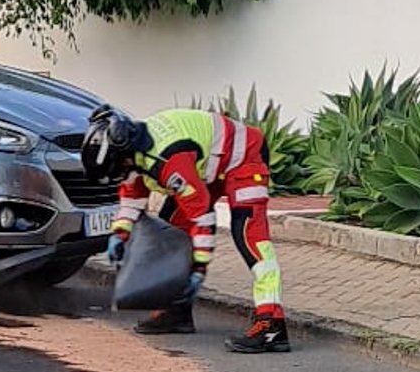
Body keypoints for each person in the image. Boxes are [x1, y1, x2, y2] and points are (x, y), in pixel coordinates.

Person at [81, 105, 289, 354]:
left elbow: (202, 219)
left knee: (248, 234)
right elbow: (132, 200)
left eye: (118, 170)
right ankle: (177, 311)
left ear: (122, 155)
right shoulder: (131, 148)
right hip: (208, 164)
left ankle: (271, 323)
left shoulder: (168, 161)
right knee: (171, 228)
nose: (119, 176)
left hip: (244, 157)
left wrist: (199, 269)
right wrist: (119, 234)